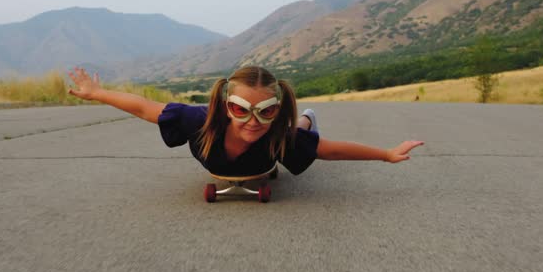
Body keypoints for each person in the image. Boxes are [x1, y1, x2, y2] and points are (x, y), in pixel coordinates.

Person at [67, 66, 424, 177]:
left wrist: (386, 154)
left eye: (266, 111)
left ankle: (303, 121)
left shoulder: (274, 134)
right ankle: (300, 123)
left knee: (297, 137)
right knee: (285, 136)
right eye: (241, 110)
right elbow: (146, 108)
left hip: (275, 149)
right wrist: (97, 93)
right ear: (226, 106)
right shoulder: (200, 121)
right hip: (233, 156)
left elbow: (330, 151)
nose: (252, 121)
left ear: (275, 108)